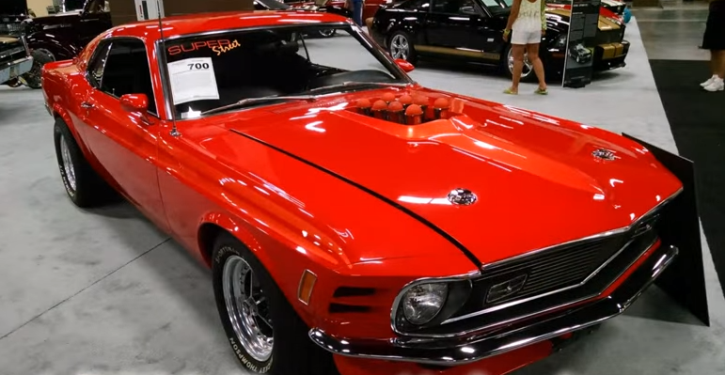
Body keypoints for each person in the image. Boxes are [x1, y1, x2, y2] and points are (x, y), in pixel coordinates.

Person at [503, 0, 548, 95]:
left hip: (521, 27)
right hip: (536, 26)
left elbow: (514, 13)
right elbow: (542, 11)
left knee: (518, 59)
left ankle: (514, 88)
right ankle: (542, 85)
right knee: (534, 56)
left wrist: (507, 30)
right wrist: (543, 27)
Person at [701, 0, 725, 92]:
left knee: (722, 48)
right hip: (716, 7)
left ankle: (720, 80)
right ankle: (715, 76)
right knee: (713, 47)